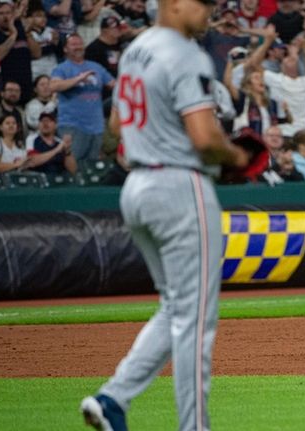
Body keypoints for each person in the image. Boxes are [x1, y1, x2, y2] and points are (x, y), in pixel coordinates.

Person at [78, 0, 249, 431]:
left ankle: (113, 398)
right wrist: (236, 155)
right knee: (196, 322)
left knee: (176, 306)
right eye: (203, 2)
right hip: (180, 188)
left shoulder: (136, 49)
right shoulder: (184, 51)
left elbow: (117, 125)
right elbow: (206, 137)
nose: (210, 10)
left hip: (137, 186)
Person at [50, 33, 115, 163]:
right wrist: (78, 79)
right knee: (73, 164)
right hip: (72, 125)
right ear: (65, 49)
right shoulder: (62, 68)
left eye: (80, 44)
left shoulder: (96, 67)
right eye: (74, 44)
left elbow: (114, 85)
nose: (78, 47)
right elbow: (54, 86)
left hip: (96, 126)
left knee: (92, 168)